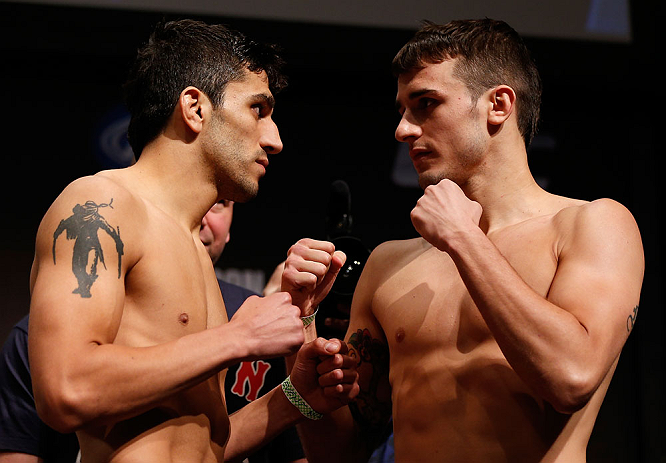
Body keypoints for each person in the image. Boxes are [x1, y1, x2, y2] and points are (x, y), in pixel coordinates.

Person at [285, 19, 645, 462]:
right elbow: (342, 453)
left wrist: (462, 238)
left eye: (426, 104)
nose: (403, 129)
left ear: (497, 105)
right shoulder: (388, 265)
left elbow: (570, 378)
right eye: (402, 109)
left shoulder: (592, 225)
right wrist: (299, 333)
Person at [27, 19, 358, 463]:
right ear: (195, 107)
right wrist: (237, 337)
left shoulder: (192, 250)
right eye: (258, 109)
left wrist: (294, 397)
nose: (274, 139)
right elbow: (65, 389)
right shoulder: (99, 205)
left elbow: (203, 447)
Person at [201, 199, 306, 463]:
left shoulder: (260, 314)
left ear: (230, 226)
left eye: (217, 204)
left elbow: (292, 451)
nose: (202, 217)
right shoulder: (117, 304)